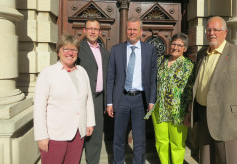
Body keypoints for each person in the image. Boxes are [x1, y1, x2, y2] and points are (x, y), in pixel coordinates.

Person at [192, 16, 237, 164]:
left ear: (225, 32)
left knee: (226, 161)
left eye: (216, 29)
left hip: (227, 121)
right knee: (205, 161)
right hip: (203, 117)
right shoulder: (202, 53)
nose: (211, 33)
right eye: (208, 30)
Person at [34, 35, 95, 164]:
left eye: (74, 50)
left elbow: (88, 99)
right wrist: (41, 136)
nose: (70, 53)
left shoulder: (82, 71)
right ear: (58, 52)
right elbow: (39, 107)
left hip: (78, 133)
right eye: (66, 49)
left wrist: (90, 122)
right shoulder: (48, 73)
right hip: (55, 135)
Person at [106, 17, 157, 164]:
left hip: (140, 100)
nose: (132, 32)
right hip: (121, 98)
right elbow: (111, 78)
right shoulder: (116, 50)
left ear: (141, 31)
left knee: (140, 139)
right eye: (129, 29)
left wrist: (152, 100)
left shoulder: (150, 50)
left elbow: (153, 78)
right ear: (126, 30)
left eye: (135, 29)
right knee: (118, 137)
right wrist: (109, 102)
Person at [145, 33, 194, 164]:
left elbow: (191, 91)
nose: (175, 47)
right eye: (173, 44)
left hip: (179, 111)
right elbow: (152, 82)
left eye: (180, 45)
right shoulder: (160, 60)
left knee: (177, 143)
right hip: (159, 109)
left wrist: (189, 113)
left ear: (185, 48)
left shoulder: (189, 66)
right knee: (161, 141)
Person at [78, 17, 109, 164]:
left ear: (99, 31)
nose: (92, 31)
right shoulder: (77, 49)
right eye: (89, 28)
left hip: (98, 100)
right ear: (84, 31)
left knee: (95, 138)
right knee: (78, 138)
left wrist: (107, 103)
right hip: (80, 100)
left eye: (95, 29)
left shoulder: (105, 52)